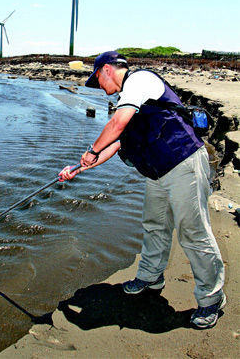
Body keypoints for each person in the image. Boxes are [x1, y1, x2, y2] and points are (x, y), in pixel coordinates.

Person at [58, 51, 225, 329]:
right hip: (158, 171)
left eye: (97, 78)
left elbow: (117, 124)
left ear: (107, 69)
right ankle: (150, 276)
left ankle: (211, 299)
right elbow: (116, 143)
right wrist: (78, 167)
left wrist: (92, 150)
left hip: (183, 160)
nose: (98, 86)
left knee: (193, 232)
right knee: (154, 225)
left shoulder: (139, 81)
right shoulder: (127, 99)